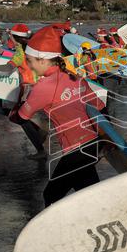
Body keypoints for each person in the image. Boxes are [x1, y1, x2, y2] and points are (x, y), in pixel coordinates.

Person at [17, 26, 105, 205]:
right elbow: (100, 108)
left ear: (42, 60)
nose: (29, 66)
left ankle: (58, 231)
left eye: (30, 60)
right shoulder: (73, 76)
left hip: (76, 150)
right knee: (89, 191)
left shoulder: (42, 88)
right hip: (94, 144)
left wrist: (15, 105)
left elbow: (21, 117)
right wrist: (106, 141)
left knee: (51, 195)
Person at [0, 23, 46, 155]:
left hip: (27, 88)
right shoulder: (31, 48)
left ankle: (41, 151)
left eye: (11, 36)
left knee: (20, 118)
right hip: (36, 86)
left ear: (15, 37)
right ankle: (39, 133)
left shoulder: (20, 51)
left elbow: (8, 69)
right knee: (17, 116)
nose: (9, 37)